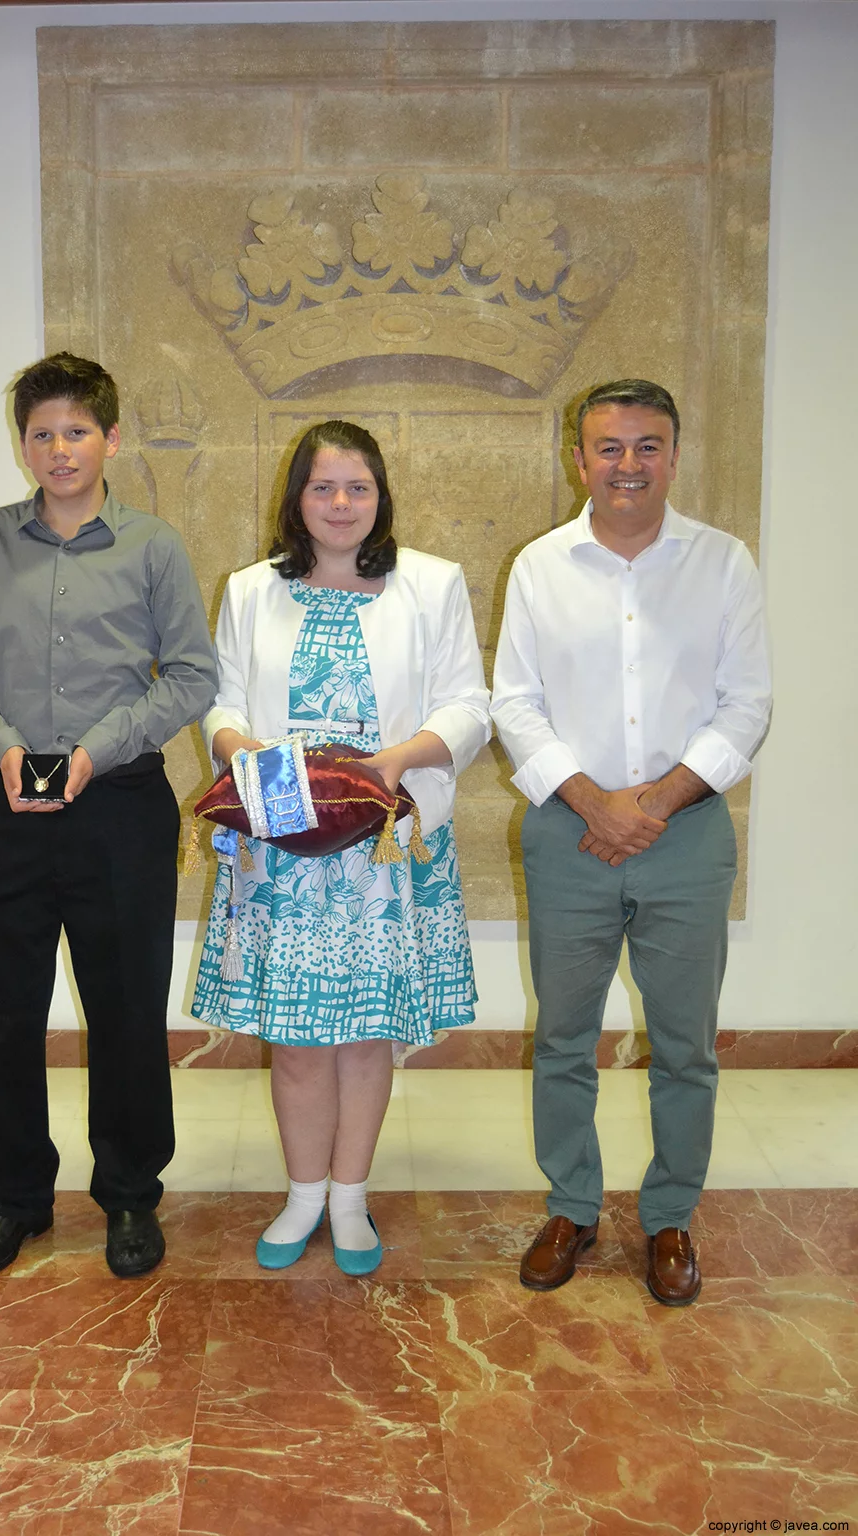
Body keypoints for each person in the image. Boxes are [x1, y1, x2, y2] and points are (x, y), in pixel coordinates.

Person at [0, 352, 217, 1281]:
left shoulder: (153, 546)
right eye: (42, 433)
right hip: (3, 803)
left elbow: (194, 676)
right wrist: (7, 746)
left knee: (126, 1007)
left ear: (111, 439)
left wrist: (99, 749)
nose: (60, 449)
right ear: (23, 444)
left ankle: (130, 1195)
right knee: (3, 1012)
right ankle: (15, 1198)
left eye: (77, 431)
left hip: (119, 803)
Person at [490, 379, 771, 1305]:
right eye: (609, 447)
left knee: (685, 1045)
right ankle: (571, 1205)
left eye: (647, 446)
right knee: (565, 1037)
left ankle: (670, 1218)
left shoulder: (724, 564)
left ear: (675, 456)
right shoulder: (538, 567)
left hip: (686, 838)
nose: (628, 465)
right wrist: (592, 802)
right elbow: (515, 706)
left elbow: (748, 705)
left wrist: (650, 802)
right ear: (579, 458)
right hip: (568, 835)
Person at [191, 420, 490, 1274]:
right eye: (323, 487)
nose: (341, 504)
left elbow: (469, 705)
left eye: (358, 487)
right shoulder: (251, 589)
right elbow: (222, 704)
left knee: (364, 1035)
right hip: (284, 837)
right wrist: (243, 756)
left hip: (386, 842)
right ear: (298, 499)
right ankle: (302, 1196)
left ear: (381, 495)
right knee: (295, 1037)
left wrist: (398, 760)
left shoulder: (431, 585)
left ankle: (351, 1200)